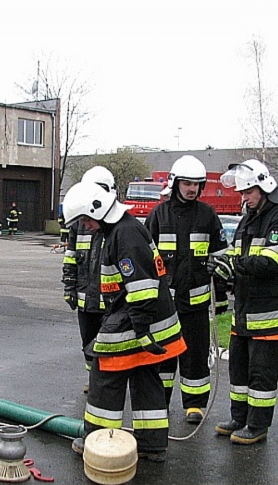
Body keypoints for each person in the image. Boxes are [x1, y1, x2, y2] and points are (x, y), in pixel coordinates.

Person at [63, 180, 186, 463]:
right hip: (142, 318)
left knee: (104, 374)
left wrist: (141, 331)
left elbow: (142, 288)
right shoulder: (119, 230)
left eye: (86, 219)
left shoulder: (125, 234)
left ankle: (97, 439)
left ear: (99, 210)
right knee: (146, 379)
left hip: (136, 319)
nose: (86, 226)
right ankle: (152, 444)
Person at [209, 159, 278, 444]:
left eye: (248, 192)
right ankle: (239, 417)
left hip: (270, 315)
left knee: (261, 374)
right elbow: (237, 254)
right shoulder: (248, 219)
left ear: (263, 187)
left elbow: (275, 260)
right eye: (242, 193)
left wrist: (238, 266)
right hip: (245, 313)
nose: (243, 198)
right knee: (239, 369)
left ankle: (257, 426)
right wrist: (222, 266)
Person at [144, 156, 229, 424]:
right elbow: (146, 257)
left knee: (195, 356)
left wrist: (223, 294)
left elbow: (221, 257)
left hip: (197, 304)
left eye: (196, 184)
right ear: (175, 183)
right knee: (164, 356)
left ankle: (195, 405)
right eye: (187, 183)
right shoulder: (159, 215)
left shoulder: (207, 215)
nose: (192, 189)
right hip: (166, 305)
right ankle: (160, 402)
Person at [62, 166, 115, 394]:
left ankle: (109, 381)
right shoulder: (79, 225)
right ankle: (93, 378)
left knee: (109, 343)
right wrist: (69, 287)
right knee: (88, 342)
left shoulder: (114, 224)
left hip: (110, 301)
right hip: (85, 298)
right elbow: (71, 258)